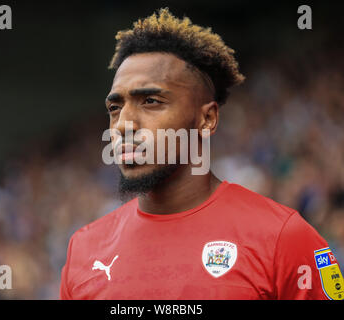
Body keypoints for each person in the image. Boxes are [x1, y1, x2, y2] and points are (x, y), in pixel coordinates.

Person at [60, 8, 344, 300]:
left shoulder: (284, 237)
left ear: (207, 119)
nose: (123, 125)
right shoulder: (84, 249)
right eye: (115, 108)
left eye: (151, 101)